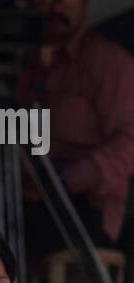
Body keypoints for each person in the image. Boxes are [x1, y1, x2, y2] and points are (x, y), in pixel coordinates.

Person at [20, 0, 134, 250]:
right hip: (23, 200)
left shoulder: (109, 63)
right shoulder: (21, 65)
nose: (56, 6)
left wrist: (64, 182)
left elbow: (127, 143)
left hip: (85, 207)